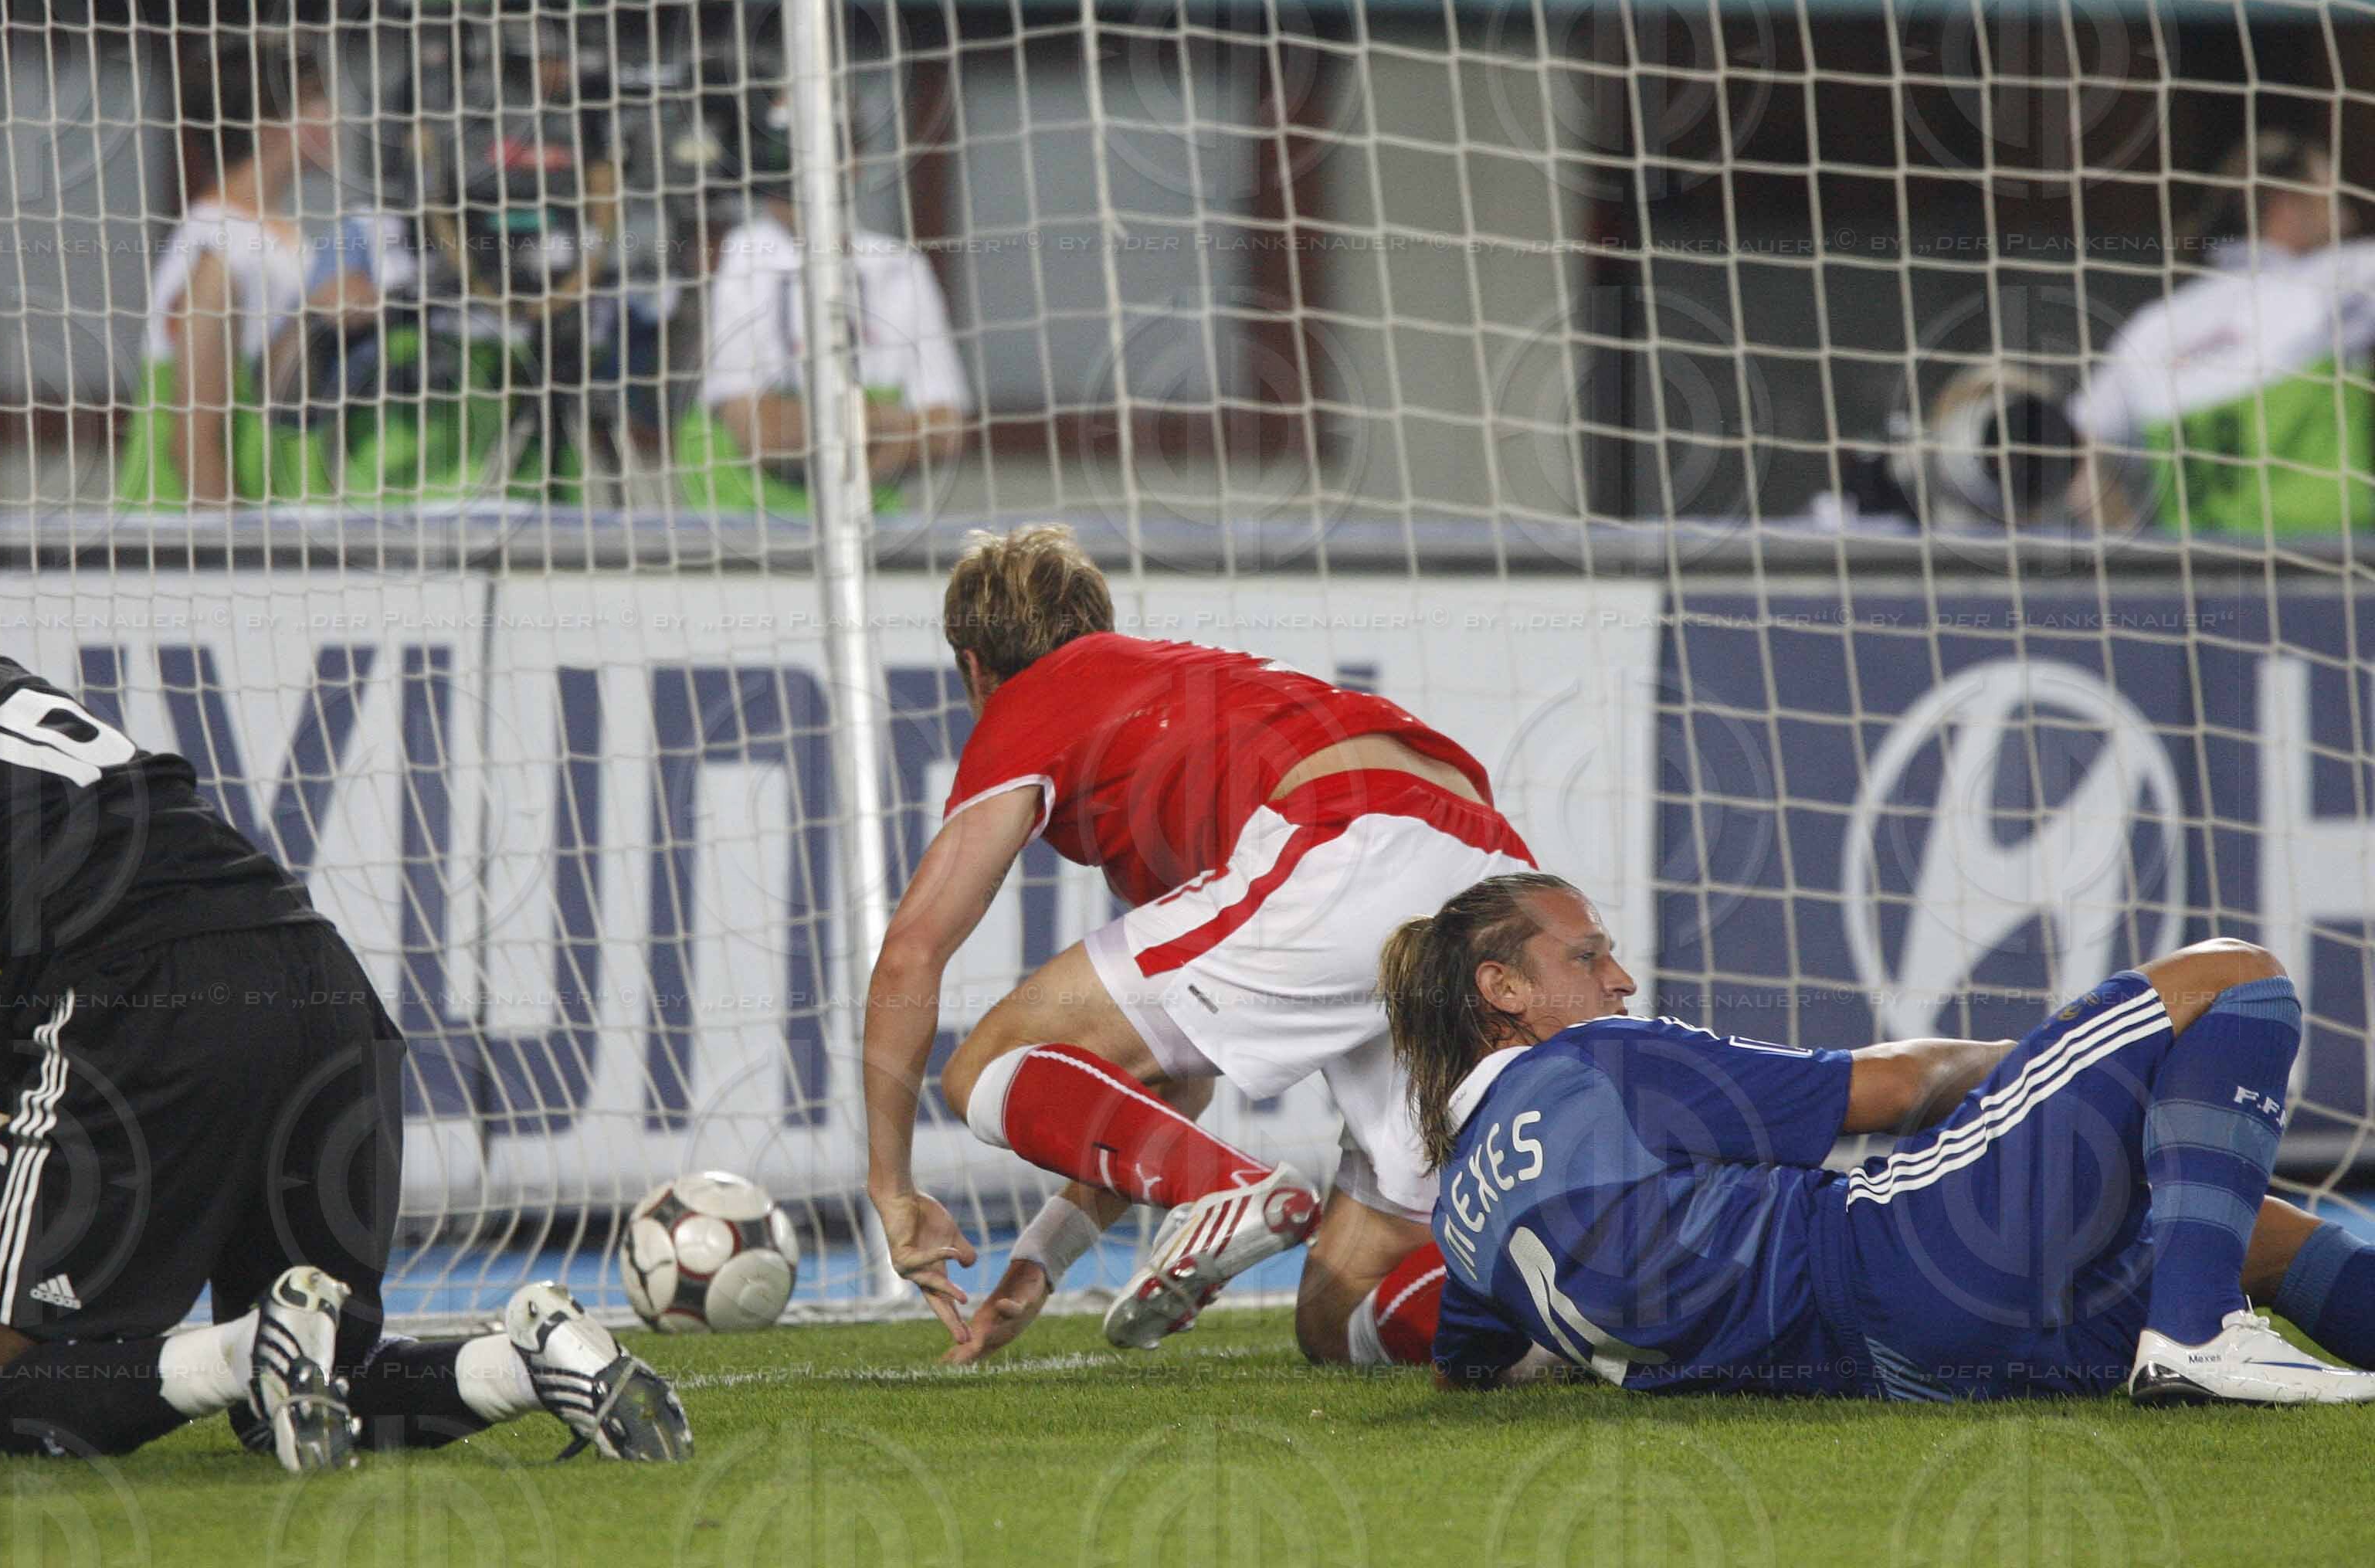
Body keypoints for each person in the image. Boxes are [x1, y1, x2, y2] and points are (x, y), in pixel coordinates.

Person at [0, 552, 690, 1464]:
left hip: (140, 1011)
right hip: (315, 976)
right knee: (309, 1388)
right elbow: (41, 877)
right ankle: (532, 1358)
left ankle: (253, 1344)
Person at [867, 524, 1533, 1368]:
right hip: (1487, 867)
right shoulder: (1193, 697)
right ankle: (1574, 1332)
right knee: (1343, 1315)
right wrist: (1041, 1263)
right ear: (1099, 623)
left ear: (973, 668)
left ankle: (1233, 1192)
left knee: (986, 1064)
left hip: (1351, 834)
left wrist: (891, 1187)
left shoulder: (1033, 699)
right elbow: (1169, 1083)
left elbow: (912, 954)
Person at [1386, 871, 2375, 1405]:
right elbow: (1896, 1087)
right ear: (1502, 988)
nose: (1622, 979)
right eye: (1588, 955)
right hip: (1904, 1254)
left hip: (1900, 1368)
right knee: (2235, 974)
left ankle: (2197, 1315)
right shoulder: (1594, 1060)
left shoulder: (1463, 1218)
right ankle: (2197, 1332)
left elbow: (1465, 1365)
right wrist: (2046, 1070)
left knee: (2234, 1227)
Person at [673, 83, 970, 515]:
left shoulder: (899, 266)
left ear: (853, 161)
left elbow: (945, 432)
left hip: (868, 528)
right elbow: (762, 435)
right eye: (782, 153)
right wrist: (887, 422)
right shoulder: (742, 254)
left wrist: (829, 437)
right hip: (746, 527)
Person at [2068, 126, 2375, 536]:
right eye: (2333, 199)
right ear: (2287, 206)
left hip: (2200, 570)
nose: (2349, 217)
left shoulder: (2153, 328)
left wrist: (2132, 547)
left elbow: (2076, 449)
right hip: (2332, 560)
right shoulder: (2340, 281)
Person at [114, 45, 383, 507]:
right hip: (194, 536)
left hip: (279, 521)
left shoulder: (282, 238)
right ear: (268, 123)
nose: (335, 117)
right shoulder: (217, 245)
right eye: (317, 100)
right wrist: (233, 542)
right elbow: (194, 440)